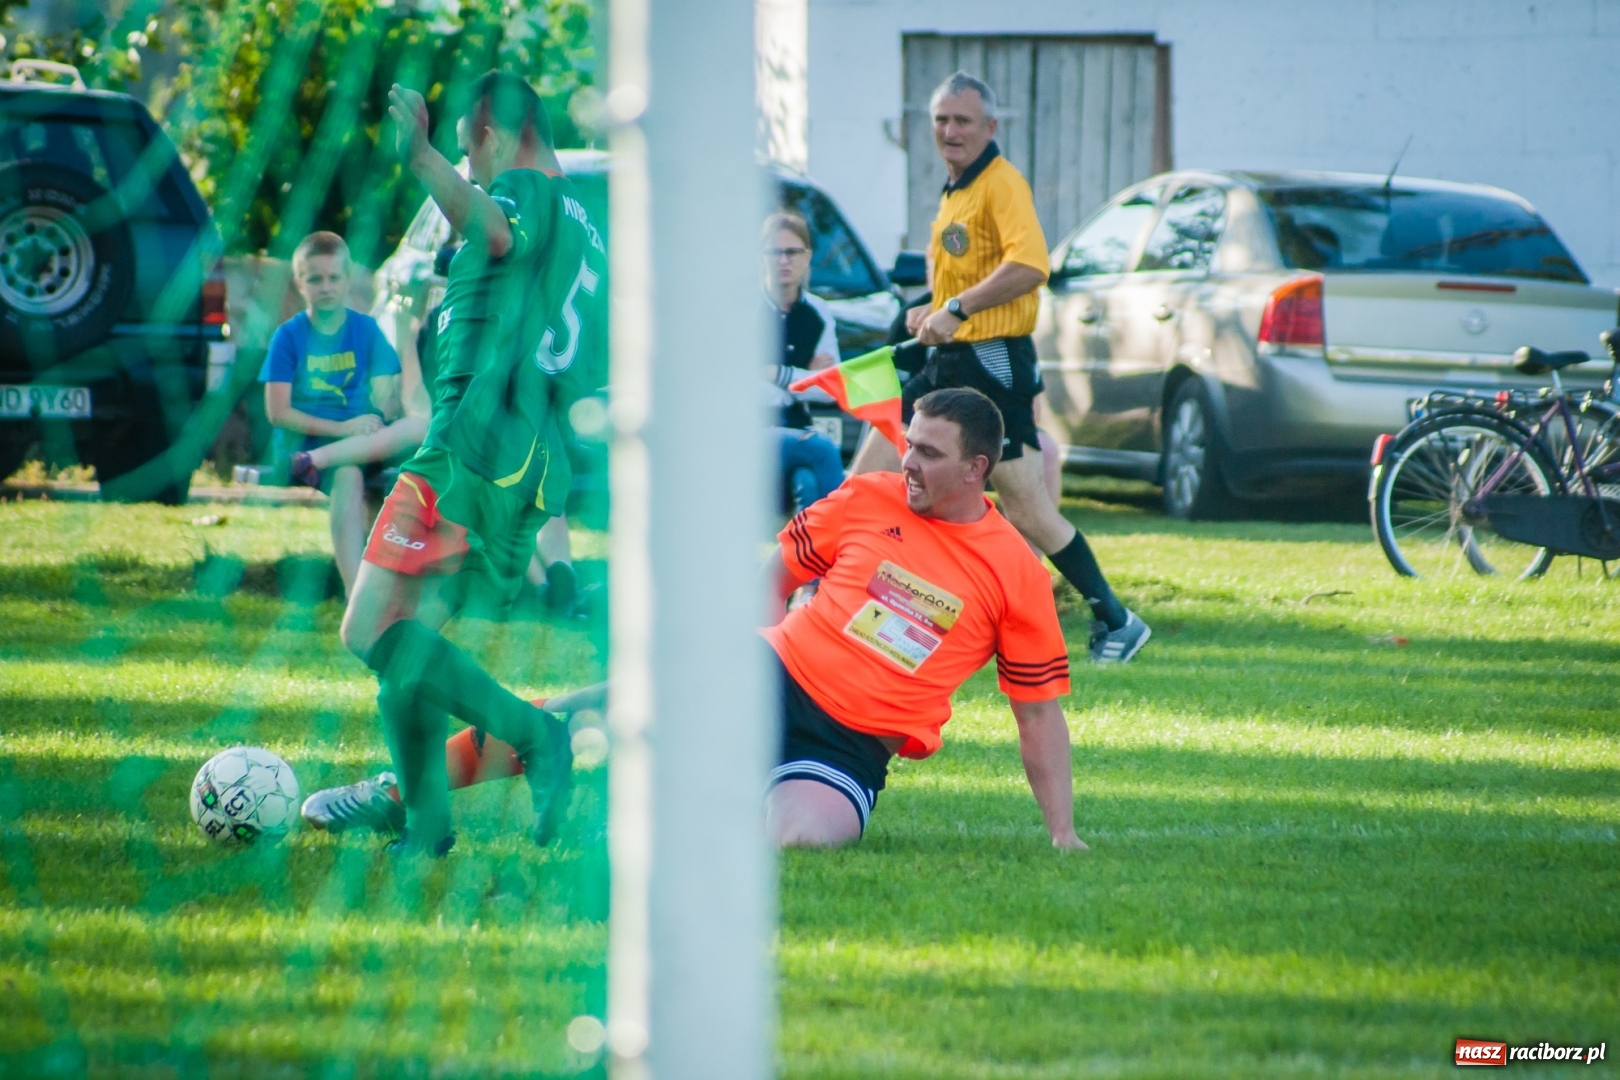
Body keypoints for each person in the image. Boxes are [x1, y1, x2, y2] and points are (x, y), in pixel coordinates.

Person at [334, 71, 608, 857]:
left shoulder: (523, 192)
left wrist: (419, 157)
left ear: (494, 133)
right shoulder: (592, 237)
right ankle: (427, 828)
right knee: (412, 649)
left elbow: (493, 230)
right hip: (529, 468)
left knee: (366, 628)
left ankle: (536, 736)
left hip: (465, 451)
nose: (468, 165)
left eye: (466, 148)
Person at [850, 71, 1149, 665]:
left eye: (963, 120)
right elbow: (964, 277)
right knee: (869, 479)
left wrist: (957, 308)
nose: (950, 131)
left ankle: (1116, 620)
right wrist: (932, 311)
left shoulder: (1001, 184)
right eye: (941, 119)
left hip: (993, 365)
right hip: (947, 362)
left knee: (1026, 507)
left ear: (990, 126)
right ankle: (834, 601)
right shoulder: (956, 189)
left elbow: (1031, 265)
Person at [767, 387, 1087, 849]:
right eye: (910, 444)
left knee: (802, 840)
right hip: (775, 677)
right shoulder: (866, 496)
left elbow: (1036, 713)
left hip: (846, 747)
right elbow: (768, 582)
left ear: (975, 469)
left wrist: (1063, 832)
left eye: (929, 453)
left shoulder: (1016, 572)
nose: (909, 462)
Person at [260, 232, 403, 593]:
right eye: (315, 279)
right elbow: (278, 413)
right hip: (305, 444)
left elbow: (389, 393)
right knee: (348, 476)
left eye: (334, 278)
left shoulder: (366, 329)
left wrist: (378, 416)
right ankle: (357, 590)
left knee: (420, 449)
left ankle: (414, 577)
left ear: (348, 280)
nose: (326, 287)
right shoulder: (288, 337)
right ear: (300, 284)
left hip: (361, 436)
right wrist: (345, 429)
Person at [762, 212, 845, 513]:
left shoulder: (819, 313)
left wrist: (777, 374)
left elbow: (831, 387)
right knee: (823, 451)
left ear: (807, 257)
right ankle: (845, 543)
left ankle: (806, 558)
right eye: (775, 252)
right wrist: (806, 376)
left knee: (808, 483)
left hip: (797, 428)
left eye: (793, 252)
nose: (784, 260)